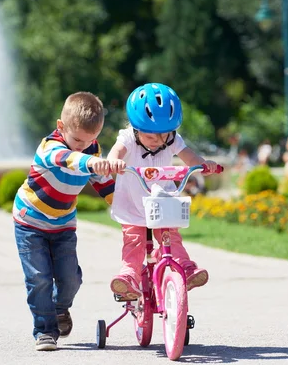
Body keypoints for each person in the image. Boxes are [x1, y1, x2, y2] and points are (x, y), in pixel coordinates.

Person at [12, 92, 115, 351]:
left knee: (70, 279)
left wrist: (123, 208)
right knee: (39, 278)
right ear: (61, 127)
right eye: (77, 139)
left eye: (91, 140)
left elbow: (104, 184)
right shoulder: (50, 147)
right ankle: (45, 331)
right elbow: (69, 160)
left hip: (63, 224)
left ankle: (58, 309)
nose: (83, 145)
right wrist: (91, 161)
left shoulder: (92, 149)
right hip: (30, 222)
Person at [106, 83, 218, 300]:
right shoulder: (128, 137)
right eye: (151, 136)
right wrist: (113, 161)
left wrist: (203, 165)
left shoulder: (172, 139)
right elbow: (116, 152)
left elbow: (189, 157)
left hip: (161, 201)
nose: (158, 141)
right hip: (133, 203)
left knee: (170, 237)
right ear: (136, 128)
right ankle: (129, 276)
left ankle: (185, 268)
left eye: (164, 135)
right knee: (134, 241)